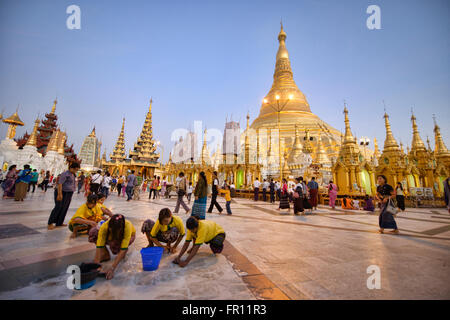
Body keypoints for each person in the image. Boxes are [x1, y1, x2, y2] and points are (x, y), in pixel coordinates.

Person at [92, 214, 136, 280]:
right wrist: (96, 265)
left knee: (120, 251)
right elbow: (99, 247)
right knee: (93, 233)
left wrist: (112, 268)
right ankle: (105, 254)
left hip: (126, 237)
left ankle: (121, 254)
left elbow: (123, 248)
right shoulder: (104, 226)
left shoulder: (127, 226)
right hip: (113, 236)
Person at [47, 162, 80, 230]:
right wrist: (59, 194)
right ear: (71, 168)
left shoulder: (72, 174)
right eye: (75, 169)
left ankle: (59, 222)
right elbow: (60, 184)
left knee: (65, 207)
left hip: (69, 193)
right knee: (58, 207)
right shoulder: (65, 174)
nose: (76, 171)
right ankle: (50, 223)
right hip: (62, 192)